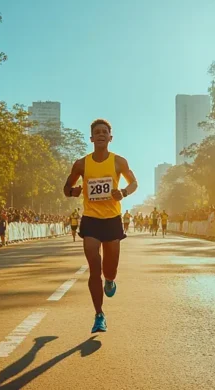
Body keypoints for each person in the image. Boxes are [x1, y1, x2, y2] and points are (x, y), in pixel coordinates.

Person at [63, 119, 138, 333]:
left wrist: (123, 192)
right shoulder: (81, 164)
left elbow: (134, 182)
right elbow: (66, 188)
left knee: (110, 268)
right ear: (92, 138)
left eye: (105, 132)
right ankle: (99, 315)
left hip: (113, 220)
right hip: (91, 220)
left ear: (110, 138)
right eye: (97, 132)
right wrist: (73, 191)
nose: (101, 134)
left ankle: (111, 280)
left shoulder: (118, 162)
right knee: (94, 267)